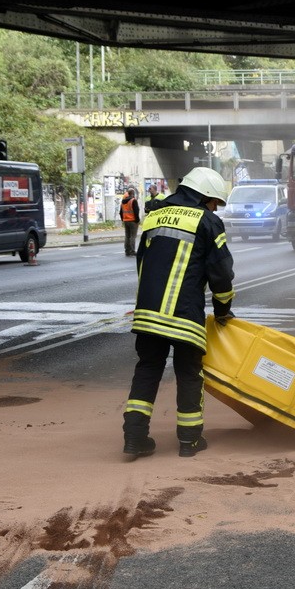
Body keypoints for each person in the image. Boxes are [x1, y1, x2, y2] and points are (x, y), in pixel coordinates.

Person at [123, 167, 234, 459]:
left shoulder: (155, 215)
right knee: (189, 374)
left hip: (148, 312)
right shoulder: (208, 222)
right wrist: (223, 310)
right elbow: (221, 274)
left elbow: (142, 262)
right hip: (184, 315)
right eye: (214, 202)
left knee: (147, 370)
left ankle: (134, 439)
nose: (215, 208)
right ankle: (189, 441)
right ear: (205, 196)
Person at [118, 187, 140, 256]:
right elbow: (136, 211)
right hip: (133, 221)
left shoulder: (123, 201)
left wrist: (123, 219)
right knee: (133, 236)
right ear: (133, 194)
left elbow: (121, 212)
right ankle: (132, 251)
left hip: (126, 221)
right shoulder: (133, 200)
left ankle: (127, 250)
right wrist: (137, 220)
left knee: (127, 236)